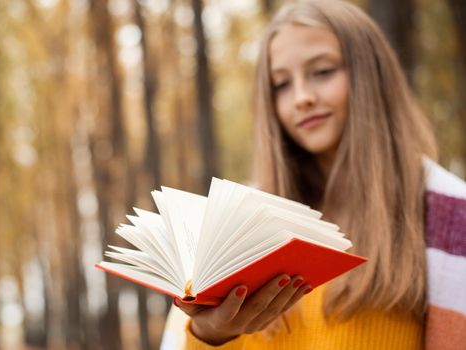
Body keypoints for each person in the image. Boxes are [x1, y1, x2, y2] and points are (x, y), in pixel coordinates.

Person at [160, 0, 466, 349]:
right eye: (282, 84)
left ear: (372, 74)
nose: (302, 97)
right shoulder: (233, 224)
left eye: (322, 72)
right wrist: (209, 335)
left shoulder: (448, 217)